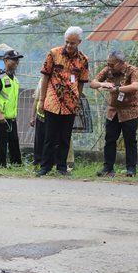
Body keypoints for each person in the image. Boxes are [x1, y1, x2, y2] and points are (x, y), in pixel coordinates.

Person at [36, 26, 89, 177]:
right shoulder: (53, 54)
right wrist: (42, 99)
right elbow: (45, 77)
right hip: (52, 101)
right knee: (49, 137)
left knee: (65, 137)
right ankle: (45, 167)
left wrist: (77, 100)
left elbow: (81, 82)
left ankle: (62, 167)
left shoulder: (84, 60)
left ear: (79, 42)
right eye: (67, 42)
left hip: (70, 103)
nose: (69, 45)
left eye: (72, 43)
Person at [90, 50, 138, 177]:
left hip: (130, 111)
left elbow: (135, 86)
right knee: (110, 139)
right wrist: (104, 84)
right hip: (113, 111)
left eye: (112, 64)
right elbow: (93, 83)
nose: (109, 67)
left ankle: (131, 169)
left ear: (121, 63)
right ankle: (108, 168)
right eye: (108, 64)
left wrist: (117, 89)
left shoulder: (133, 70)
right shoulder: (108, 70)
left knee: (130, 140)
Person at [0, 50, 24, 167]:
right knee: (2, 141)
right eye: (13, 59)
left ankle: (16, 165)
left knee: (14, 140)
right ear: (5, 61)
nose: (16, 62)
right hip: (0, 116)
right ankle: (0, 165)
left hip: (11, 117)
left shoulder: (15, 79)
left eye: (17, 59)